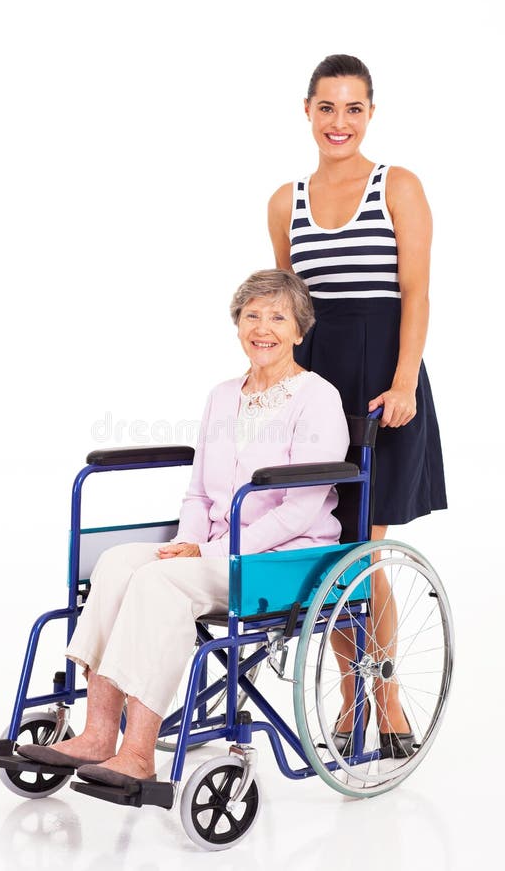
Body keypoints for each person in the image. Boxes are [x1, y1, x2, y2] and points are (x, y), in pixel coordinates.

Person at [17, 270, 349, 785]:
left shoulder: (318, 399)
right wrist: (187, 542)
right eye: (252, 315)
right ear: (238, 324)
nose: (263, 327)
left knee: (159, 582)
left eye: (278, 317)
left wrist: (213, 551)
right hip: (213, 548)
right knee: (117, 562)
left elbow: (299, 510)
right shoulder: (221, 395)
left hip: (279, 560)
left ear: (300, 331)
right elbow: (197, 493)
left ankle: (140, 752)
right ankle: (98, 730)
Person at [267, 54, 447, 755]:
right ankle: (350, 696)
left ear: (370, 114)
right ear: (307, 111)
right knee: (326, 552)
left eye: (353, 109)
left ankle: (386, 696)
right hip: (313, 378)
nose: (339, 122)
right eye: (327, 108)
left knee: (362, 555)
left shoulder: (396, 185)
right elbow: (286, 307)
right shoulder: (286, 200)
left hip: (380, 376)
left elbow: (417, 294)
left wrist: (403, 383)